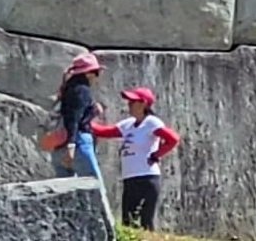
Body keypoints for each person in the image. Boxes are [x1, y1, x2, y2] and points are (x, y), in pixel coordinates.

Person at [90, 87, 180, 231]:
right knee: (128, 221)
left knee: (145, 221)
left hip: (147, 177)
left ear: (143, 104)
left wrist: (156, 155)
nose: (129, 104)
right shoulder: (129, 124)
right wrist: (85, 121)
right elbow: (105, 132)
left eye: (133, 102)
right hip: (130, 177)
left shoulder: (151, 122)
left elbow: (173, 139)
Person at [50, 52, 105, 181]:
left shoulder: (67, 89)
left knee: (65, 187)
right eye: (96, 72)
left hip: (59, 144)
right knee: (94, 184)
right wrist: (71, 145)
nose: (97, 77)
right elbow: (74, 118)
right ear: (89, 73)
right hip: (78, 143)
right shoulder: (82, 90)